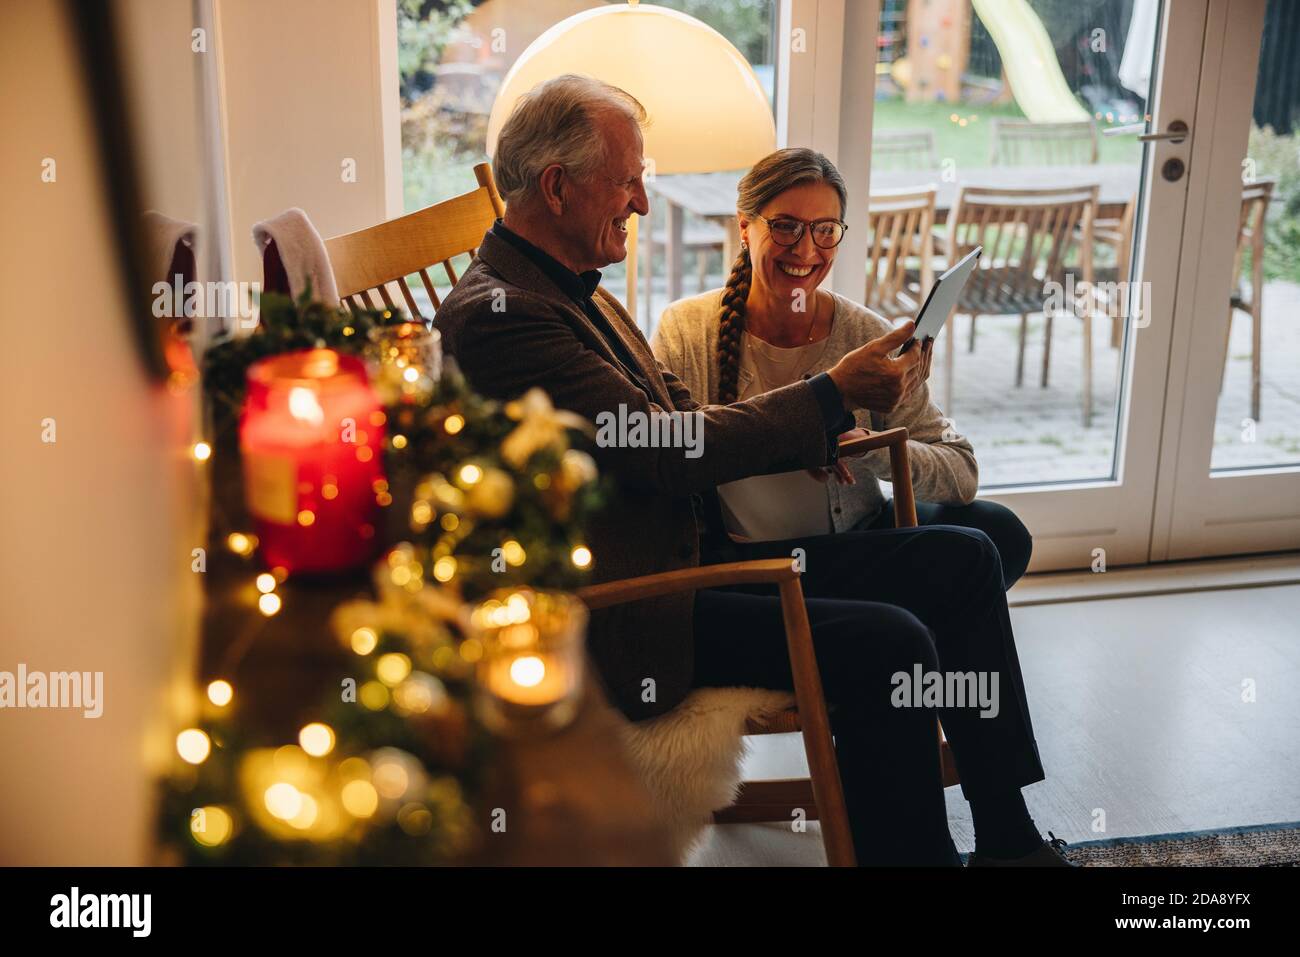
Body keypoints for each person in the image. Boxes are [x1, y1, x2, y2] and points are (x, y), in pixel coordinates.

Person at [434, 74, 1071, 866]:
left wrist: (830, 428)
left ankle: (1009, 837)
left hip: (702, 562)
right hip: (640, 605)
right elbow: (668, 451)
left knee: (967, 553)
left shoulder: (576, 291)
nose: (639, 201)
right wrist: (832, 395)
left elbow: (678, 419)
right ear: (558, 187)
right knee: (894, 644)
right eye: (629, 180)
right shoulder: (506, 318)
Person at [650, 148, 1033, 589]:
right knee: (950, 578)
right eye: (785, 226)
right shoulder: (686, 330)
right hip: (754, 557)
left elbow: (961, 471)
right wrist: (810, 429)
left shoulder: (866, 334)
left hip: (854, 538)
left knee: (999, 531)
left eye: (824, 230)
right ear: (744, 226)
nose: (806, 249)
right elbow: (671, 451)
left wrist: (869, 445)